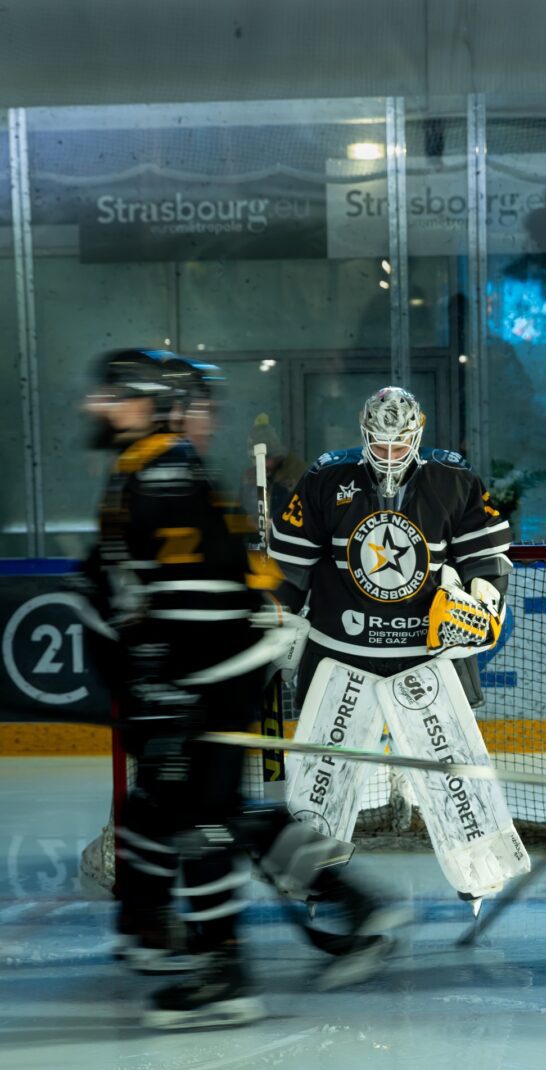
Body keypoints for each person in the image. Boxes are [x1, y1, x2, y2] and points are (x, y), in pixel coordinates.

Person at [78, 349, 406, 1030]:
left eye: (115, 394)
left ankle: (219, 967)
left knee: (200, 818)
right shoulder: (144, 470)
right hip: (208, 672)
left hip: (210, 676)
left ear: (151, 404)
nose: (96, 405)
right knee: (199, 810)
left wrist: (166, 686)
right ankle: (335, 907)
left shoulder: (163, 473)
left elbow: (195, 600)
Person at [267, 386, 530, 913]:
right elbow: (288, 570)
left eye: (400, 443)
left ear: (419, 434)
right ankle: (307, 878)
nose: (389, 456)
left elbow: (487, 558)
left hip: (425, 654)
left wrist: (483, 595)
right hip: (340, 651)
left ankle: (482, 872)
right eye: (378, 444)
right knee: (321, 775)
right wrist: (276, 614)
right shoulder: (324, 478)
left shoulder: (453, 478)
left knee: (454, 773)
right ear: (363, 435)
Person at [240, 413, 306, 523]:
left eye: (265, 458)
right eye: (255, 458)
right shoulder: (249, 478)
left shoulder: (299, 472)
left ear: (276, 454)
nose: (260, 464)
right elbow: (242, 515)